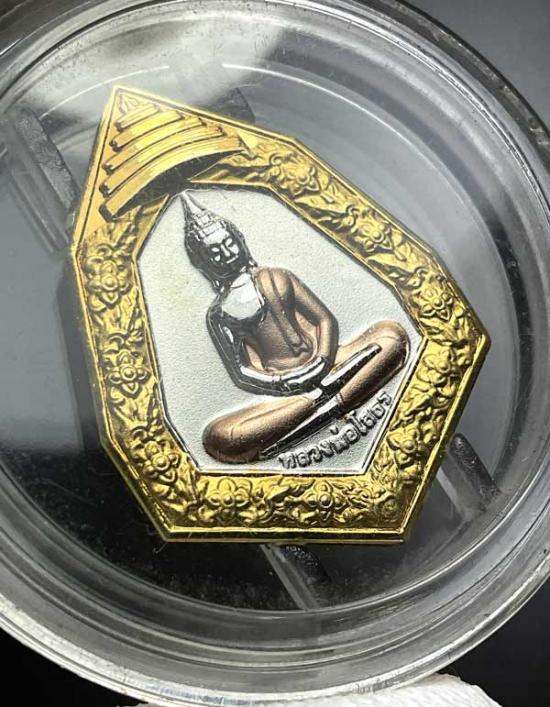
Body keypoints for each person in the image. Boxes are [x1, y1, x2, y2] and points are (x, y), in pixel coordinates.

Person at [181, 191, 409, 463]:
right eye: (215, 253)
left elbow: (324, 320)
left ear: (240, 241)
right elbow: (241, 372)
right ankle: (322, 401)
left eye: (229, 244)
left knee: (391, 338)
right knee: (222, 438)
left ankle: (314, 411)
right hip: (286, 395)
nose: (227, 254)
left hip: (333, 363)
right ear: (203, 263)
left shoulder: (277, 276)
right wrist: (283, 383)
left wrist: (323, 359)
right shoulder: (220, 313)